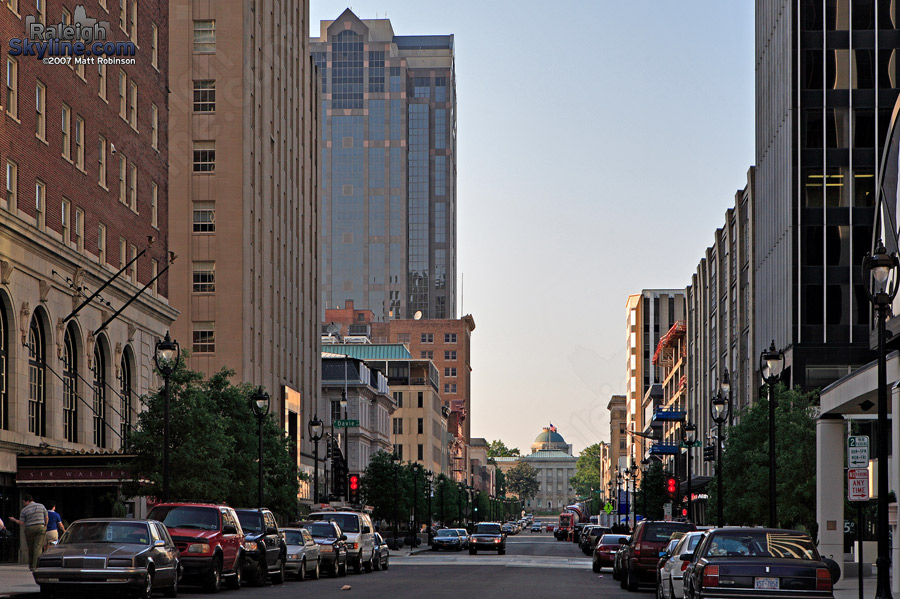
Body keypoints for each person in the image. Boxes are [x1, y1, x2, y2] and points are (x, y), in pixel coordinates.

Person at [9, 494, 48, 570]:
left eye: (24, 502)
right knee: (38, 547)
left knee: (31, 547)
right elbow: (46, 517)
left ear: (27, 501)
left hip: (29, 528)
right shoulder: (41, 506)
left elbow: (21, 523)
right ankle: (35, 565)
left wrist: (13, 519)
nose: (23, 504)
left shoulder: (24, 510)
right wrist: (45, 526)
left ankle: (31, 564)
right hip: (41, 526)